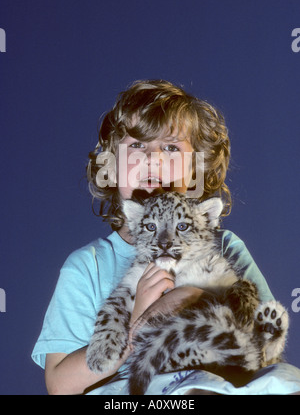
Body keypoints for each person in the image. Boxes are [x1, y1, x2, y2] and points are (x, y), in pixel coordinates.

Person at [31, 80, 300, 395]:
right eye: (136, 145)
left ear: (195, 171)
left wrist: (195, 298)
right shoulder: (86, 266)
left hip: (223, 374)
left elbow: (263, 343)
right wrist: (137, 326)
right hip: (137, 391)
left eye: (170, 147)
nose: (152, 159)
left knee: (285, 381)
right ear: (112, 167)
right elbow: (59, 386)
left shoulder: (225, 246)